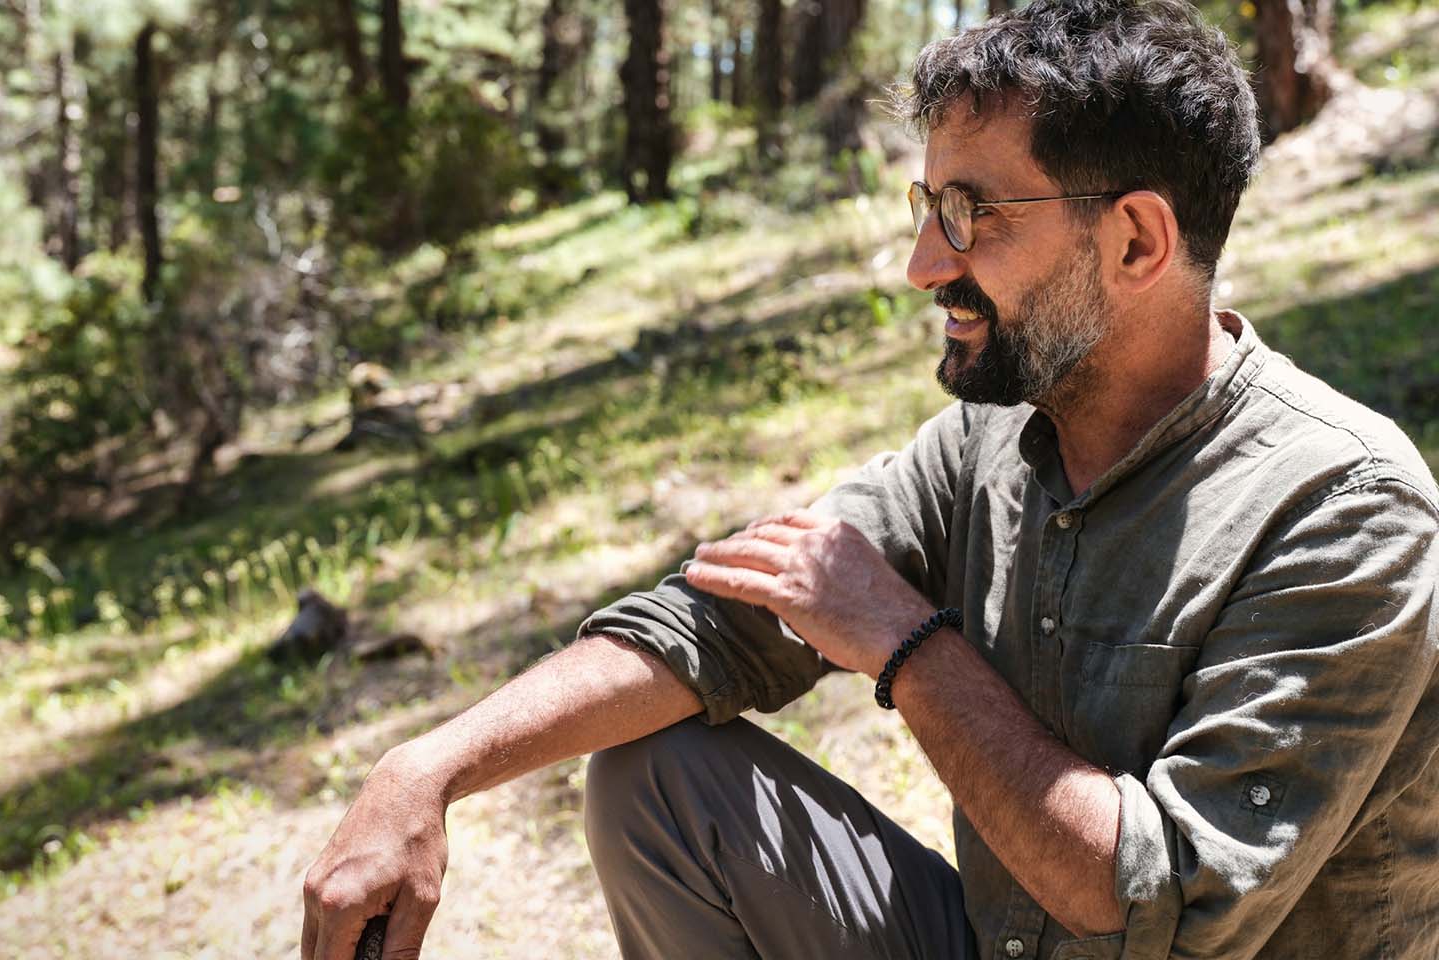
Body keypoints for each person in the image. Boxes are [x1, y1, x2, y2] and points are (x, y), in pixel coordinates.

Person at [301, 1, 1439, 957]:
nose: (922, 266)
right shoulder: (995, 441)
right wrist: (429, 767)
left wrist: (910, 649)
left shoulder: (1345, 510)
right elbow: (735, 616)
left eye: (970, 214)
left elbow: (1168, 905)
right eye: (925, 206)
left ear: (1137, 242)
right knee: (660, 780)